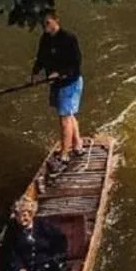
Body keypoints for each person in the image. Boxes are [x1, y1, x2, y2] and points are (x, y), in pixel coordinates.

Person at [32, 10, 84, 162]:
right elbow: (40, 57)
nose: (45, 27)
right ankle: (78, 145)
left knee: (64, 119)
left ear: (56, 21)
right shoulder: (45, 39)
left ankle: (64, 154)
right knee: (68, 115)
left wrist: (60, 73)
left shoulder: (69, 39)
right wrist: (35, 73)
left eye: (48, 23)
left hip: (70, 83)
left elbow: (76, 63)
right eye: (43, 24)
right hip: (56, 83)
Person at [0, 196, 69, 271]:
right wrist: (20, 268)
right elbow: (10, 251)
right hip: (23, 267)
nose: (22, 219)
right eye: (18, 216)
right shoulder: (12, 229)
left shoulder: (44, 225)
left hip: (44, 265)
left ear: (31, 214)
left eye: (25, 215)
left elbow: (61, 242)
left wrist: (54, 259)